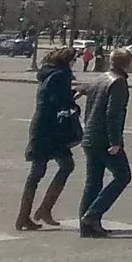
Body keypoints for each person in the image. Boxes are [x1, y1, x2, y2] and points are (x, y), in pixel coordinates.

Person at [17, 46, 79, 231]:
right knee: (46, 170)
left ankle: (33, 213)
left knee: (43, 171)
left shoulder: (49, 73)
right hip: (50, 130)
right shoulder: (61, 75)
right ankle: (34, 213)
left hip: (43, 127)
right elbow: (58, 101)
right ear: (67, 61)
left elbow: (53, 96)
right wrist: (74, 104)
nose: (74, 63)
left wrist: (72, 95)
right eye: (74, 60)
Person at [76, 48, 132, 238]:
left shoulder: (100, 78)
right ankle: (92, 215)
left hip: (90, 137)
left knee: (92, 182)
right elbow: (113, 113)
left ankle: (87, 225)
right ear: (127, 64)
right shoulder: (118, 82)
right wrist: (115, 141)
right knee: (123, 176)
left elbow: (88, 92)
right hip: (104, 140)